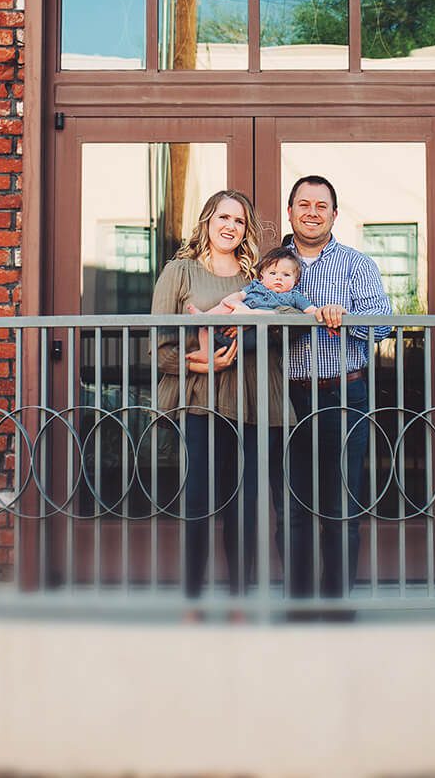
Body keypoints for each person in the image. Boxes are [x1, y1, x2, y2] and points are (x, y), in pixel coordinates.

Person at [148, 188, 287, 605]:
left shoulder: (254, 278)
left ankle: (238, 601)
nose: (231, 227)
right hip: (201, 400)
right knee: (198, 501)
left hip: (248, 398)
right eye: (223, 218)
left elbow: (279, 325)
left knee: (242, 506)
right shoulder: (181, 271)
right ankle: (192, 602)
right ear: (207, 221)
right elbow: (159, 345)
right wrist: (204, 365)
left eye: (239, 221)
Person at [277, 174, 394, 602]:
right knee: (291, 509)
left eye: (321, 206)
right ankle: (299, 602)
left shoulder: (356, 264)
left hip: (344, 394)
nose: (312, 212)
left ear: (334, 214)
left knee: (341, 508)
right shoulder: (270, 264)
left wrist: (346, 315)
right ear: (289, 212)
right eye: (303, 204)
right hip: (284, 397)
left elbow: (383, 322)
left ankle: (337, 603)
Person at [192, 245, 318, 346]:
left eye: (286, 275)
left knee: (264, 335)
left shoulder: (294, 296)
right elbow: (238, 296)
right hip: (230, 324)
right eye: (273, 273)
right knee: (223, 309)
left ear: (296, 281)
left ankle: (217, 331)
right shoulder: (256, 286)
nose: (279, 278)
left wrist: (326, 317)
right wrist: (236, 305)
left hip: (252, 334)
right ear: (262, 275)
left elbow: (312, 312)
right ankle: (204, 319)